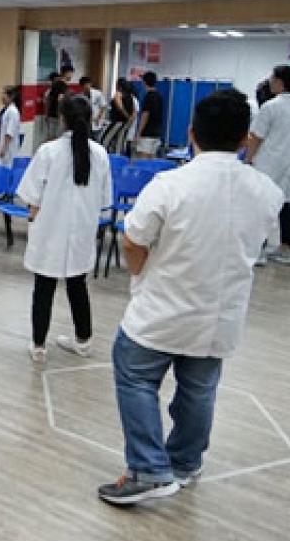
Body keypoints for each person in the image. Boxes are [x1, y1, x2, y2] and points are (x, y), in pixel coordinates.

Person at [97, 90, 283, 506]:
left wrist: (141, 272)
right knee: (199, 389)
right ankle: (184, 462)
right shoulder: (267, 191)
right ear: (244, 139)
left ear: (191, 132)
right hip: (220, 315)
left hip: (162, 308)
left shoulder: (170, 184)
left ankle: (148, 469)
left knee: (135, 375)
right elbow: (265, 241)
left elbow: (132, 241)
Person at [18, 95, 112, 364]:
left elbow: (32, 196)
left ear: (61, 119)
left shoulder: (48, 151)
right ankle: (84, 340)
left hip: (50, 229)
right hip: (82, 231)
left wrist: (33, 217)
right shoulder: (100, 154)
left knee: (44, 288)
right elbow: (105, 201)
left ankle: (39, 346)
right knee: (77, 286)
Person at [246, 64, 290, 266]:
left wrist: (248, 159)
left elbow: (256, 137)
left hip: (268, 163)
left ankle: (258, 250)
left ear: (280, 82)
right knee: (281, 206)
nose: (270, 82)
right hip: (286, 165)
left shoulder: (271, 107)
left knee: (260, 206)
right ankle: (277, 248)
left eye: (272, 78)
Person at [101, 78, 137, 156]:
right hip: (125, 123)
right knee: (120, 143)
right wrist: (130, 120)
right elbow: (134, 111)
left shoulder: (118, 94)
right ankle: (119, 159)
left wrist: (127, 116)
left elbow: (119, 107)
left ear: (119, 85)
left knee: (105, 141)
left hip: (117, 121)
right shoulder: (130, 96)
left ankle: (103, 157)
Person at [134, 71, 164, 158]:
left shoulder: (148, 97)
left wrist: (138, 133)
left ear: (144, 82)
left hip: (147, 134)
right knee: (152, 160)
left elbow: (145, 116)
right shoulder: (159, 96)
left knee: (143, 160)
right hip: (156, 133)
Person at [0, 85, 21, 167]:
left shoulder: (13, 111)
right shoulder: (2, 109)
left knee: (5, 167)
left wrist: (3, 148)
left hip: (7, 148)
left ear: (11, 96)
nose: (2, 96)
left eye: (4, 94)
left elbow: (9, 132)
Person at [40, 74, 68, 145]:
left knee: (52, 137)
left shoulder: (52, 90)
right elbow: (48, 103)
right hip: (55, 116)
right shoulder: (52, 90)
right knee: (54, 137)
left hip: (53, 116)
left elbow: (48, 103)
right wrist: (60, 116)